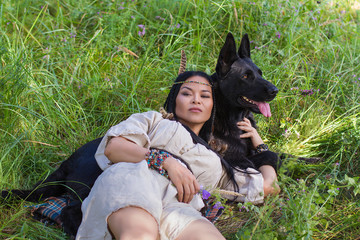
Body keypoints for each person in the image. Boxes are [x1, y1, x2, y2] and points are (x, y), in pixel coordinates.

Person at [75, 71, 279, 240]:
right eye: (187, 93)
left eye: (205, 96)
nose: (196, 100)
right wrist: (165, 162)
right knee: (140, 235)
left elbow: (267, 187)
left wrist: (260, 147)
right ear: (175, 99)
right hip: (133, 182)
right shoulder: (154, 121)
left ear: (212, 107)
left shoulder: (215, 162)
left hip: (179, 208)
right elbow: (115, 147)